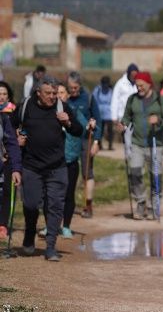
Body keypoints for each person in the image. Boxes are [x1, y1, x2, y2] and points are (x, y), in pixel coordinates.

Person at [12, 76, 83, 260]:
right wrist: (16, 138)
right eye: (48, 93)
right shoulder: (26, 106)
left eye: (54, 93)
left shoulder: (61, 107)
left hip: (57, 167)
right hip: (31, 166)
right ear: (38, 93)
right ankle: (29, 233)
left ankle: (51, 246)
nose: (52, 97)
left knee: (55, 207)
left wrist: (67, 122)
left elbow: (78, 130)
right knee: (30, 204)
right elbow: (9, 128)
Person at [119, 71, 163, 220]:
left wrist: (159, 121)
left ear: (149, 84)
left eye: (141, 85)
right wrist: (123, 124)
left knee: (155, 175)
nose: (139, 88)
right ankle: (140, 202)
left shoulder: (159, 99)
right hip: (137, 143)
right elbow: (127, 117)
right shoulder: (132, 99)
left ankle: (153, 205)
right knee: (135, 172)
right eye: (137, 86)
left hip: (156, 143)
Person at [56, 81, 90, 238]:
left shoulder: (74, 111)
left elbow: (83, 128)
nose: (59, 95)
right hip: (53, 161)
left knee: (69, 194)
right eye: (56, 93)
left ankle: (67, 226)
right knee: (53, 195)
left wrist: (91, 126)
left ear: (67, 95)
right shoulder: (49, 112)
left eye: (62, 93)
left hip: (70, 159)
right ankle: (53, 225)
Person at [66, 72, 102, 219]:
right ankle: (67, 204)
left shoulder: (88, 98)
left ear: (80, 85)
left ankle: (88, 205)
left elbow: (98, 119)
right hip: (70, 140)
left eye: (75, 87)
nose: (72, 90)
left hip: (86, 139)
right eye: (70, 88)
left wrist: (96, 142)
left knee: (87, 173)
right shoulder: (65, 98)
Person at [0, 81, 22, 242]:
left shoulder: (11, 113)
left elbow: (12, 142)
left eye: (4, 94)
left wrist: (16, 167)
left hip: (6, 162)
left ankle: (3, 225)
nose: (1, 97)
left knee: (6, 193)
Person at [111, 63, 139, 130]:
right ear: (129, 73)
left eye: (135, 74)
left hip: (136, 116)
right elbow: (115, 100)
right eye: (132, 74)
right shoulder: (120, 83)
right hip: (123, 116)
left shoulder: (139, 83)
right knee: (126, 137)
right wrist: (114, 117)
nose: (133, 76)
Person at [92, 76, 115, 150]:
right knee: (100, 130)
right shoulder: (97, 90)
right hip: (100, 113)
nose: (105, 86)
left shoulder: (111, 90)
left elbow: (114, 101)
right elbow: (94, 99)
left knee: (110, 130)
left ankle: (110, 145)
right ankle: (99, 144)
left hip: (109, 113)